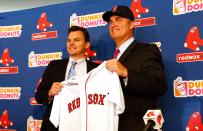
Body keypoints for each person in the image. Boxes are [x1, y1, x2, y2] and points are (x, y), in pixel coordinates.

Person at [102, 5, 168, 131]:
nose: (113, 24)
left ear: (132, 24)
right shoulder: (111, 59)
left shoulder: (147, 50)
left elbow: (160, 85)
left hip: (138, 127)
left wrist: (126, 73)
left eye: (118, 19)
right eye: (111, 21)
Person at [35, 26, 98, 131]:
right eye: (69, 40)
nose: (71, 43)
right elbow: (38, 96)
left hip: (84, 125)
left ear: (87, 44)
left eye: (77, 40)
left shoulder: (95, 70)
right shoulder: (53, 66)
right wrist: (50, 92)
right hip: (54, 126)